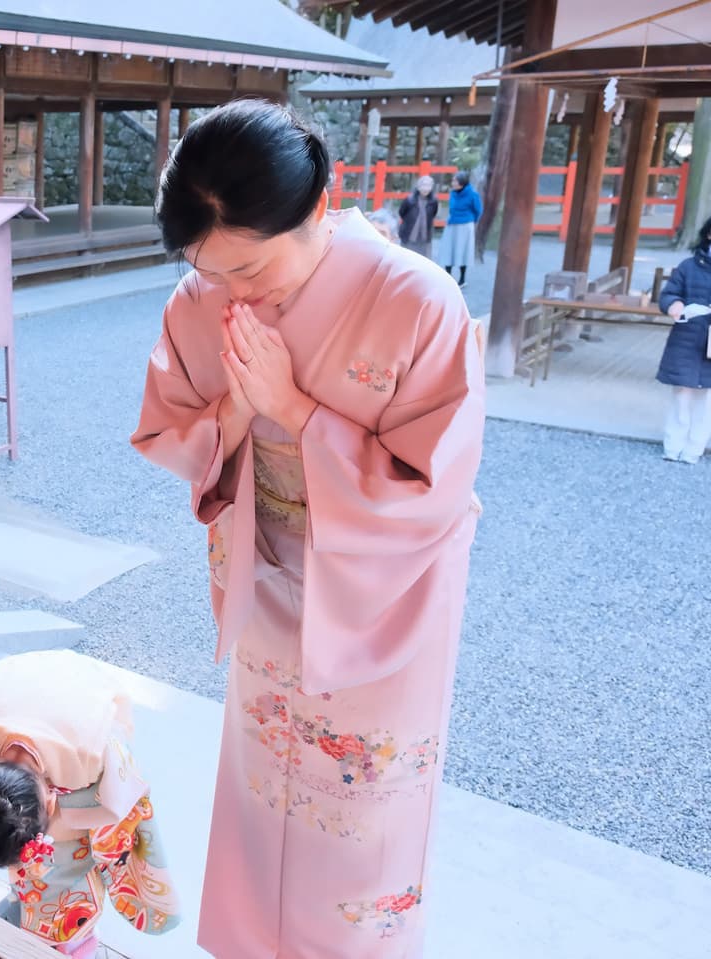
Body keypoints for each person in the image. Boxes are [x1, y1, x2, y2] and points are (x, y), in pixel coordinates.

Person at [132, 99, 484, 957]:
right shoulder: (198, 302)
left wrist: (293, 408)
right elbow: (170, 427)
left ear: (319, 205)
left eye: (251, 267)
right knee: (267, 786)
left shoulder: (417, 301)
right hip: (268, 573)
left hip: (383, 590)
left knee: (363, 802)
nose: (231, 292)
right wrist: (236, 411)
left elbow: (433, 487)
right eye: (209, 271)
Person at [0, 650, 180, 958]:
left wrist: (97, 834)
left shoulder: (93, 758)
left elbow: (123, 814)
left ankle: (74, 944)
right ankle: (31, 921)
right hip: (18, 686)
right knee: (14, 840)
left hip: (82, 695)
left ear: (53, 802)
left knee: (71, 884)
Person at [654, 215, 711, 464]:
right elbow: (669, 294)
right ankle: (673, 445)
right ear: (708, 235)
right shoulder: (689, 266)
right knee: (681, 395)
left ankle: (694, 449)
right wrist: (674, 304)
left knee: (706, 401)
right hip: (687, 338)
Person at [442, 171, 482, 287]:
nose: (453, 183)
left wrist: (471, 220)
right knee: (449, 250)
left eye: (455, 181)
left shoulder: (472, 194)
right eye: (453, 180)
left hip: (465, 225)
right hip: (452, 223)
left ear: (462, 182)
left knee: (463, 252)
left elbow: (478, 210)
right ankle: (448, 277)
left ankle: (462, 279)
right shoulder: (453, 193)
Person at [396, 175, 438, 259]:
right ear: (418, 187)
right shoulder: (409, 200)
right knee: (406, 258)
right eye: (423, 185)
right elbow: (402, 213)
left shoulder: (433, 201)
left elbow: (433, 213)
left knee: (422, 259)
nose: (426, 188)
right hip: (409, 234)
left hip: (424, 236)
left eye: (428, 185)